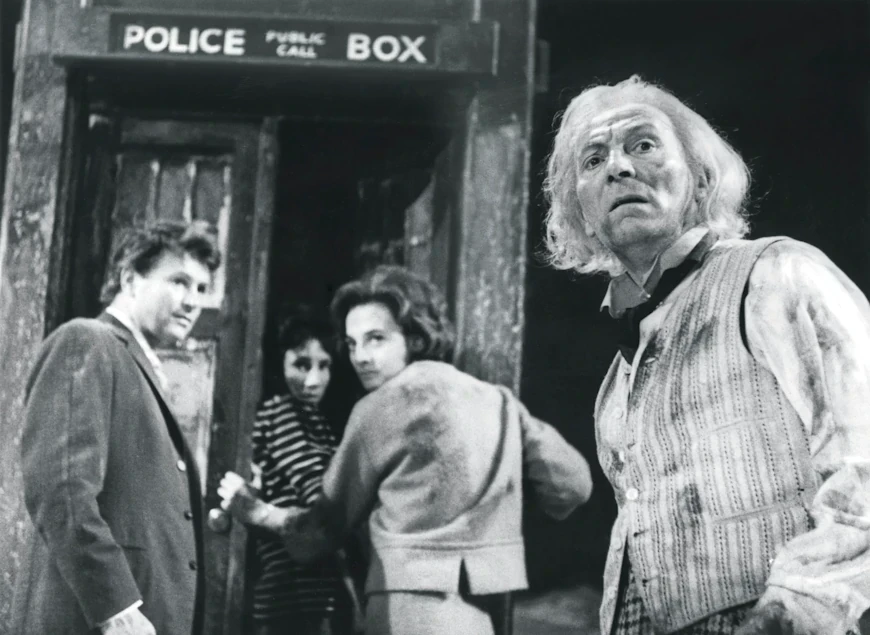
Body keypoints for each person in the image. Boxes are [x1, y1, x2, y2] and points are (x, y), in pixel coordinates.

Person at [542, 74, 870, 635]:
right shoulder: (616, 380)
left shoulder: (776, 274)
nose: (618, 167)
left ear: (700, 180)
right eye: (593, 160)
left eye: (643, 144)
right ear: (583, 213)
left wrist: (796, 611)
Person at [219, 265, 593, 635]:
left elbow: (324, 527)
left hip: (405, 610)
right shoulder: (499, 402)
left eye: (376, 339)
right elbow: (572, 486)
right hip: (484, 611)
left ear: (414, 338)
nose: (360, 357)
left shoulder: (378, 407)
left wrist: (258, 512)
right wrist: (495, 499)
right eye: (352, 343)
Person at [11, 221, 220, 635]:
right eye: (179, 281)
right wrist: (116, 607)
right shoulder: (87, 340)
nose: (193, 301)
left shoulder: (140, 366)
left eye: (201, 288)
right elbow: (61, 489)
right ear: (130, 279)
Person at [248, 308, 346, 635]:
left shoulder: (315, 419)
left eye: (323, 366)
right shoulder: (282, 412)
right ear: (281, 362)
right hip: (292, 584)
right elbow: (316, 492)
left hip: (309, 583)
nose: (312, 380)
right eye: (301, 365)